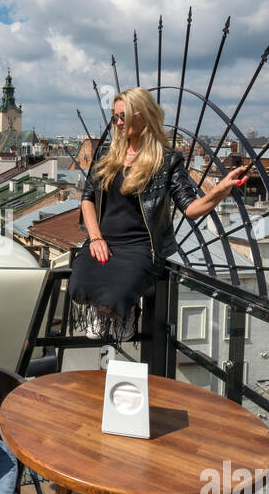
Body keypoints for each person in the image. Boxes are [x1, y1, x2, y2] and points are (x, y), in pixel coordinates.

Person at [71, 87, 249, 341]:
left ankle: (124, 310)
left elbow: (190, 208)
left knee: (120, 289)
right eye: (115, 117)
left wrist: (221, 189)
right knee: (79, 279)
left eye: (124, 116)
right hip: (104, 240)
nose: (119, 123)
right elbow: (87, 198)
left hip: (141, 247)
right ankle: (104, 310)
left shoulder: (166, 160)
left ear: (143, 115)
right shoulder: (106, 154)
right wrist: (96, 237)